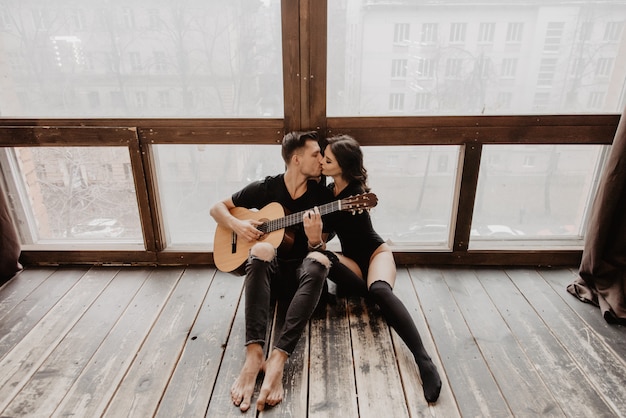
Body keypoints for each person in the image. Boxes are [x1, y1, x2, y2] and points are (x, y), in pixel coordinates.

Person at [210, 131, 333, 412]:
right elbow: (217, 208)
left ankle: (277, 358)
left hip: (305, 285)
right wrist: (237, 225)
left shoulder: (323, 198)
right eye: (316, 154)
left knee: (319, 260)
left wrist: (316, 241)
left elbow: (323, 250)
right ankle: (254, 355)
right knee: (262, 250)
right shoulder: (267, 188)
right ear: (296, 159)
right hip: (269, 281)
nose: (321, 160)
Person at [319, 134, 442, 403]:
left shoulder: (357, 194)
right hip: (351, 258)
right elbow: (325, 239)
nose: (322, 163)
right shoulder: (328, 194)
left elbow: (361, 205)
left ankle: (424, 361)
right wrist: (314, 233)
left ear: (343, 166)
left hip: (376, 254)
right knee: (323, 258)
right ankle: (364, 294)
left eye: (327, 160)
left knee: (380, 291)